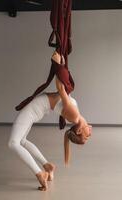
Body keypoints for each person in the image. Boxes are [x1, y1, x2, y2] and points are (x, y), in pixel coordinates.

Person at [8, 52, 92, 191]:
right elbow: (63, 87)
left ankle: (39, 173)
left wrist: (57, 64)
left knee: (13, 143)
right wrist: (62, 65)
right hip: (38, 109)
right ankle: (47, 165)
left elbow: (60, 88)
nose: (90, 133)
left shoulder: (75, 116)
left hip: (34, 109)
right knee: (21, 141)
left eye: (86, 135)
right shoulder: (76, 115)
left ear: (78, 130)